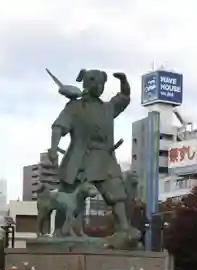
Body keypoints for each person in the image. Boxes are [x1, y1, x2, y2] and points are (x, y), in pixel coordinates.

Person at [48, 69, 135, 236]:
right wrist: (53, 148)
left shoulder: (108, 108)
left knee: (116, 192)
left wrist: (123, 81)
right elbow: (59, 126)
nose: (99, 86)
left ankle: (124, 227)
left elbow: (124, 98)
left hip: (104, 158)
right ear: (86, 83)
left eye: (102, 83)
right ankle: (61, 230)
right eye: (95, 82)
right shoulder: (75, 107)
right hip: (80, 156)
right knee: (69, 196)